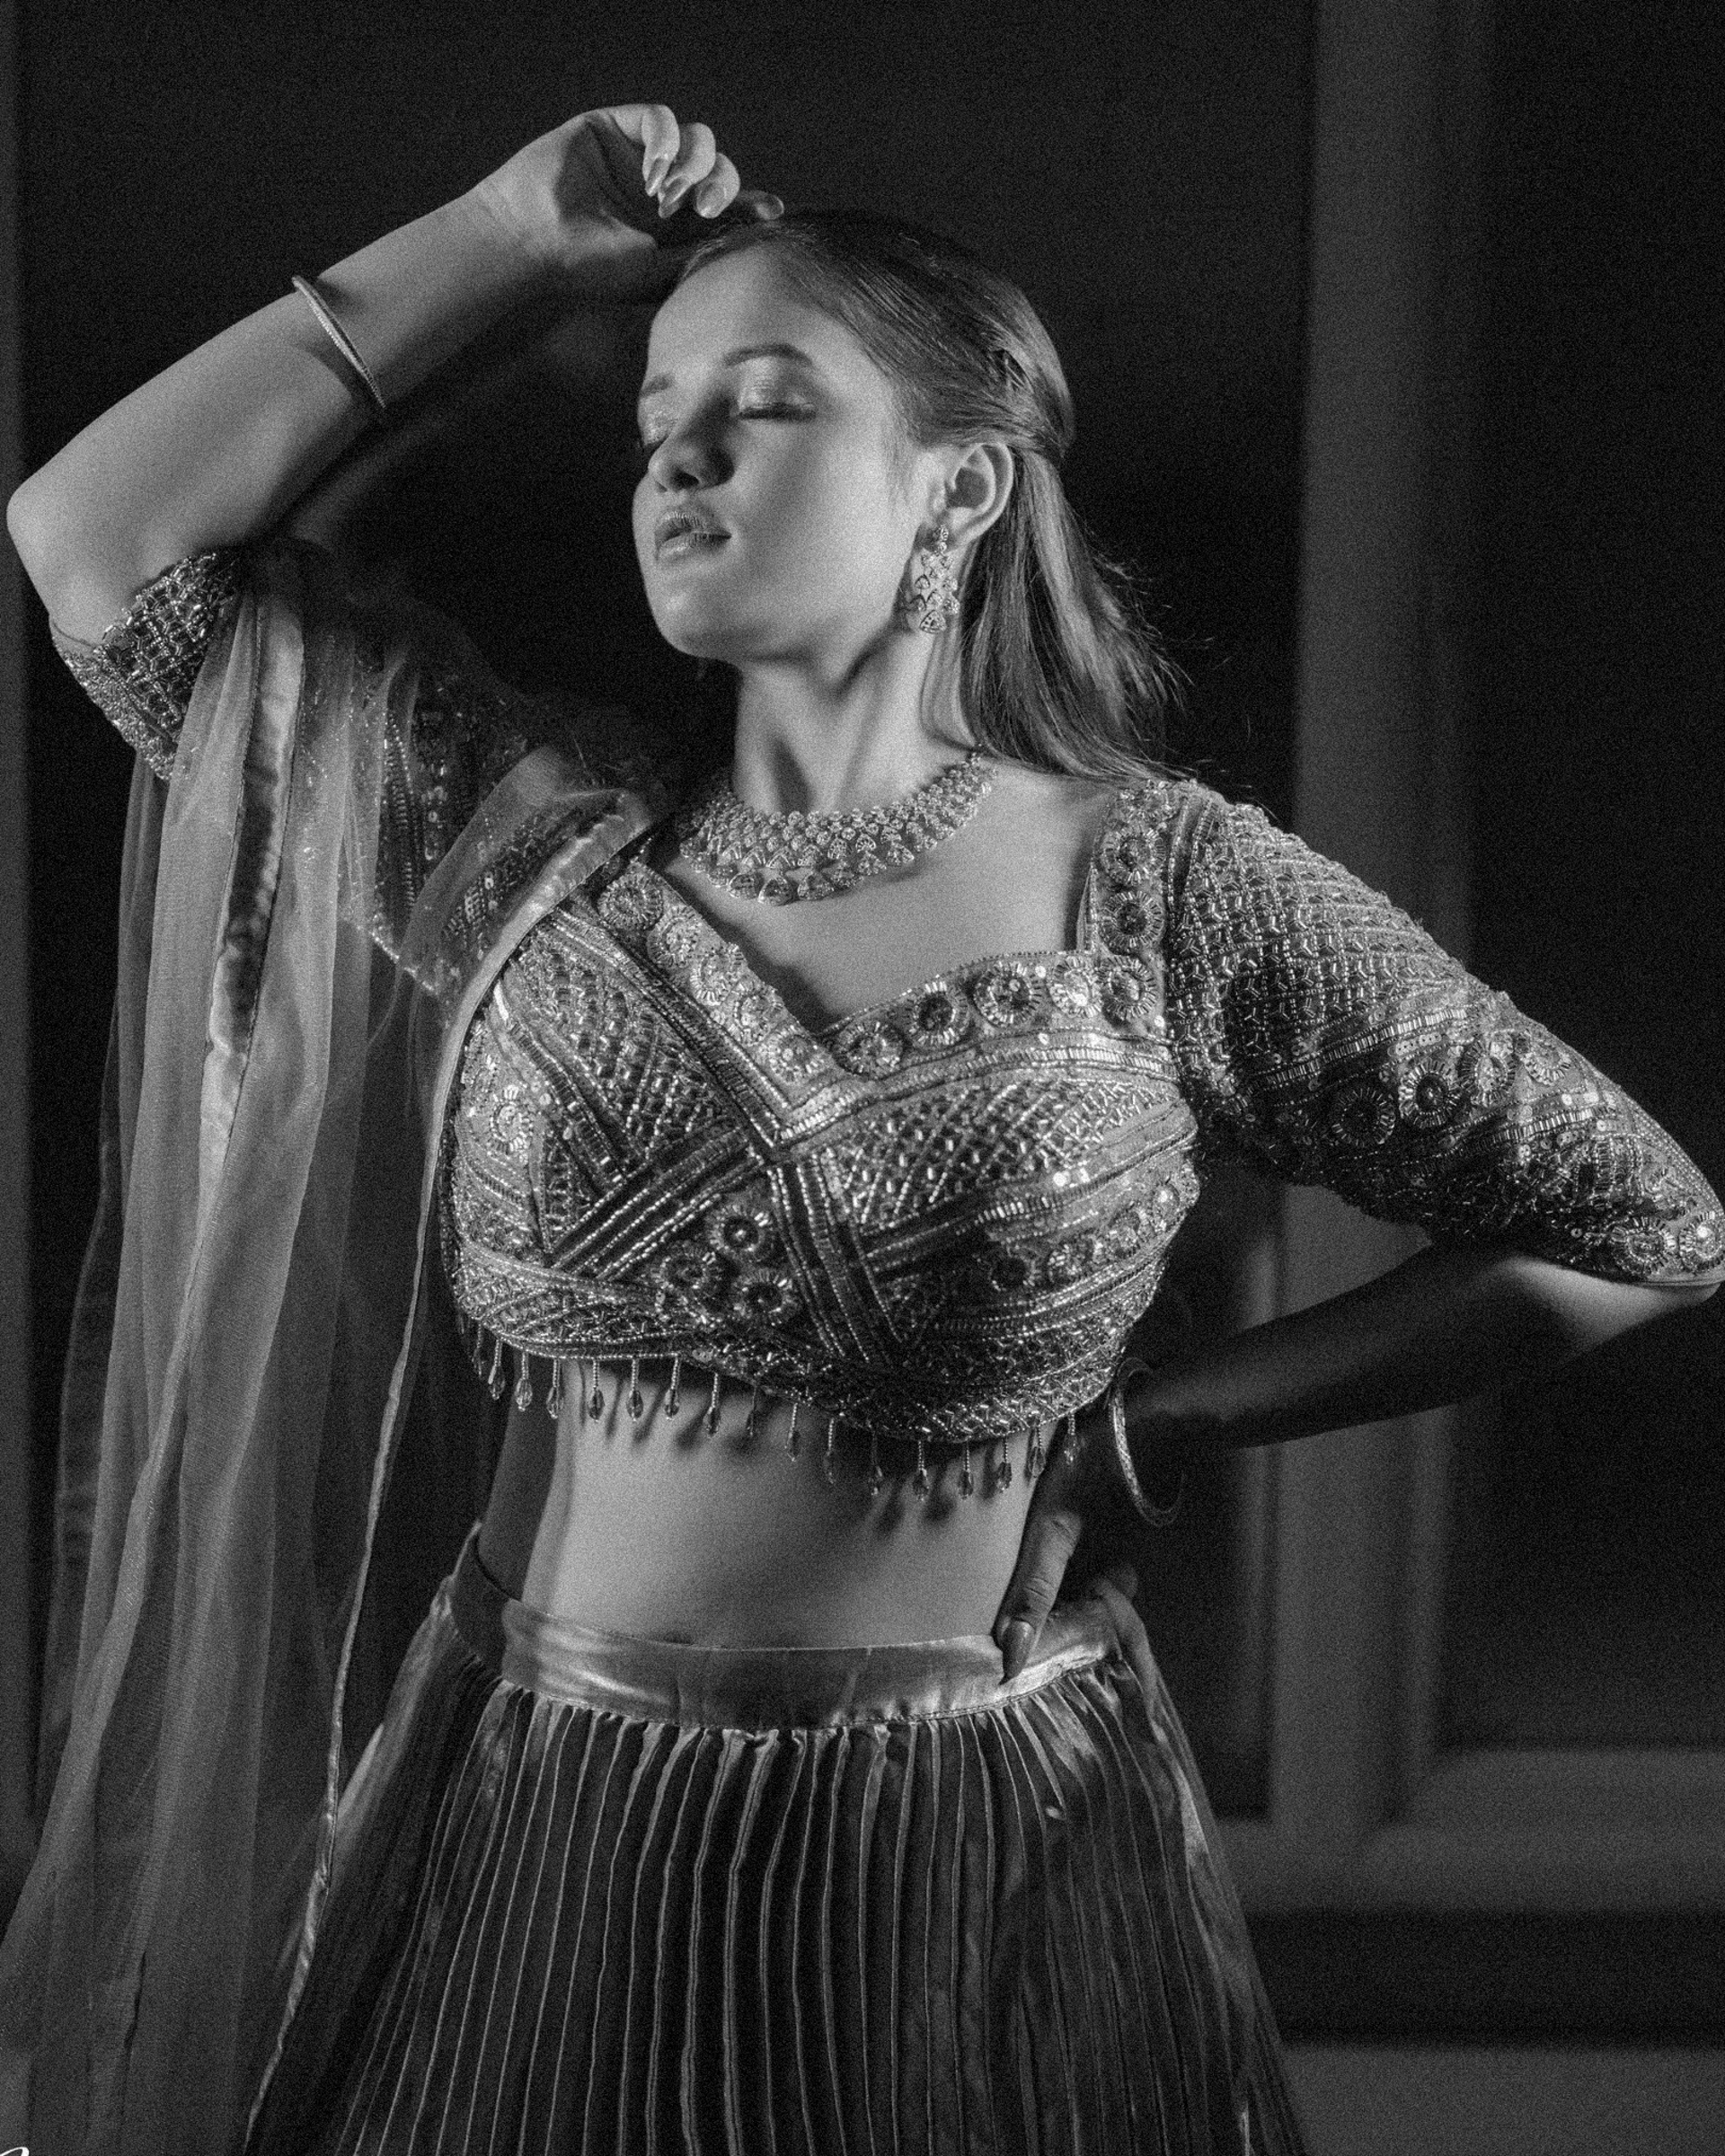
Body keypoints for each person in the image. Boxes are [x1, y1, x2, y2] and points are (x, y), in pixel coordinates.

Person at [2, 102, 1720, 2156]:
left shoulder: (1166, 891)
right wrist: (503, 236)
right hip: (542, 1851)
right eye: (655, 419)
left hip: (970, 1859)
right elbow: (96, 547)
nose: (678, 459)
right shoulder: (522, 858)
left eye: (764, 405)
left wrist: (1167, 1430)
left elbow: (1641, 1225)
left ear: (960, 483)